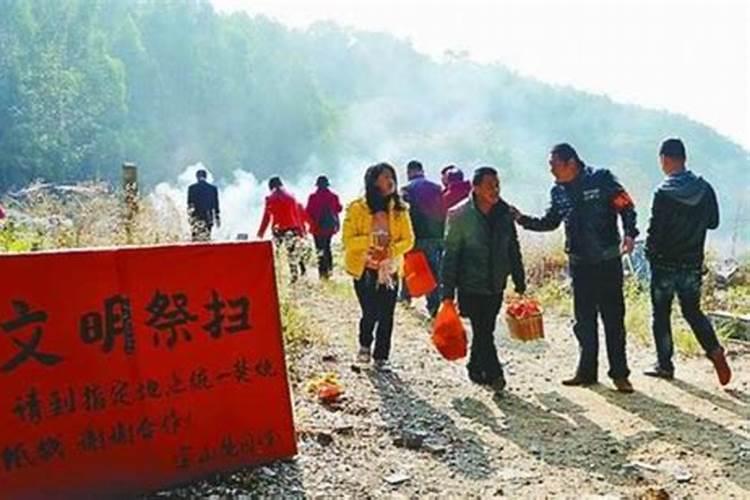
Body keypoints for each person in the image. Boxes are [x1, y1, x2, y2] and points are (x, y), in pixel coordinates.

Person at [513, 143, 638, 393]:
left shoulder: (601, 179)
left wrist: (630, 233)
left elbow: (626, 205)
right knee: (584, 322)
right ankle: (586, 373)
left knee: (613, 320)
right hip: (580, 265)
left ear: (571, 163)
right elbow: (550, 222)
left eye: (554, 166)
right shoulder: (558, 191)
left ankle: (620, 374)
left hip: (607, 261)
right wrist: (521, 219)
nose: (552, 172)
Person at [644, 138, 731, 385]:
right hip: (692, 263)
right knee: (692, 311)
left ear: (666, 159)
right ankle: (715, 351)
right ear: (684, 158)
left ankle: (665, 365)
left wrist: (650, 253)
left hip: (665, 264)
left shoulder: (663, 192)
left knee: (661, 314)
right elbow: (713, 222)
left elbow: (655, 230)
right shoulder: (705, 188)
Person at [441, 167, 526, 392]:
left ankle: (475, 366)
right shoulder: (459, 215)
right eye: (490, 185)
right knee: (482, 329)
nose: (495, 190)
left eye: (497, 185)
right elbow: (450, 255)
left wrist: (519, 278)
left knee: (485, 328)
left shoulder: (505, 213)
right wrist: (447, 293)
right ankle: (495, 373)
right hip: (470, 283)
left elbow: (512, 247)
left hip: (496, 282)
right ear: (475, 188)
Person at [342, 163, 415, 371]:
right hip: (364, 269)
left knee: (387, 314)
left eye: (392, 176)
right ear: (373, 182)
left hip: (389, 270)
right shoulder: (357, 208)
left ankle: (381, 357)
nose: (390, 180)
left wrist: (389, 251)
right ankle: (365, 345)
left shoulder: (400, 210)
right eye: (384, 177)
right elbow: (348, 240)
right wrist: (372, 243)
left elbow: (409, 240)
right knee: (370, 312)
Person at [400, 160, 446, 317]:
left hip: (416, 236)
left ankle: (405, 298)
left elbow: (402, 213)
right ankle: (433, 307)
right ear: (422, 170)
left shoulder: (406, 189)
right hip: (436, 237)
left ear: (409, 172)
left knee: (411, 268)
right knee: (434, 272)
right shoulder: (437, 188)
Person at [257, 176, 309, 283]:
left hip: (279, 229)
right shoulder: (291, 196)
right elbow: (296, 214)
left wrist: (261, 233)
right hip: (293, 227)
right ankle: (301, 271)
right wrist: (301, 230)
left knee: (276, 252)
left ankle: (281, 276)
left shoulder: (270, 198)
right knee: (294, 251)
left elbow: (266, 217)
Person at [306, 175, 343, 280]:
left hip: (317, 228)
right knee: (327, 248)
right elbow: (339, 208)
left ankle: (322, 274)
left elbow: (308, 211)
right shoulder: (333, 196)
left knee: (320, 250)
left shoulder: (313, 197)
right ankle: (330, 270)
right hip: (330, 228)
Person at [187, 169, 220, 242]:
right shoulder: (212, 189)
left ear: (197, 177)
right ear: (206, 177)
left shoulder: (192, 188)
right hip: (208, 216)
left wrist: (189, 217)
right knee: (207, 237)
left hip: (196, 216)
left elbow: (190, 204)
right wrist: (217, 217)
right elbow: (216, 204)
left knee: (195, 237)